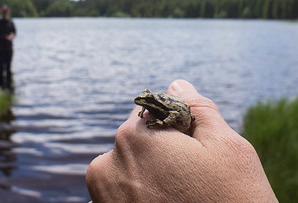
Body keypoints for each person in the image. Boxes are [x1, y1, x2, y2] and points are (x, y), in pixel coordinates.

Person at [86, 79, 278, 202]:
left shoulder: (160, 106)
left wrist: (161, 123)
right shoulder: (150, 104)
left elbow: (174, 114)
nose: (141, 101)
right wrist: (145, 110)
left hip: (180, 116)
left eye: (146, 100)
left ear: (153, 102)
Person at [0, 5, 16, 89]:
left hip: (9, 49)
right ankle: (0, 85)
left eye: (6, 12)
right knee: (1, 67)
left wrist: (12, 36)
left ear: (8, 12)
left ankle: (9, 84)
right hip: (1, 49)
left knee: (9, 67)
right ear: (1, 12)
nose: (5, 13)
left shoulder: (11, 22)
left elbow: (14, 32)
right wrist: (4, 37)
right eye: (3, 12)